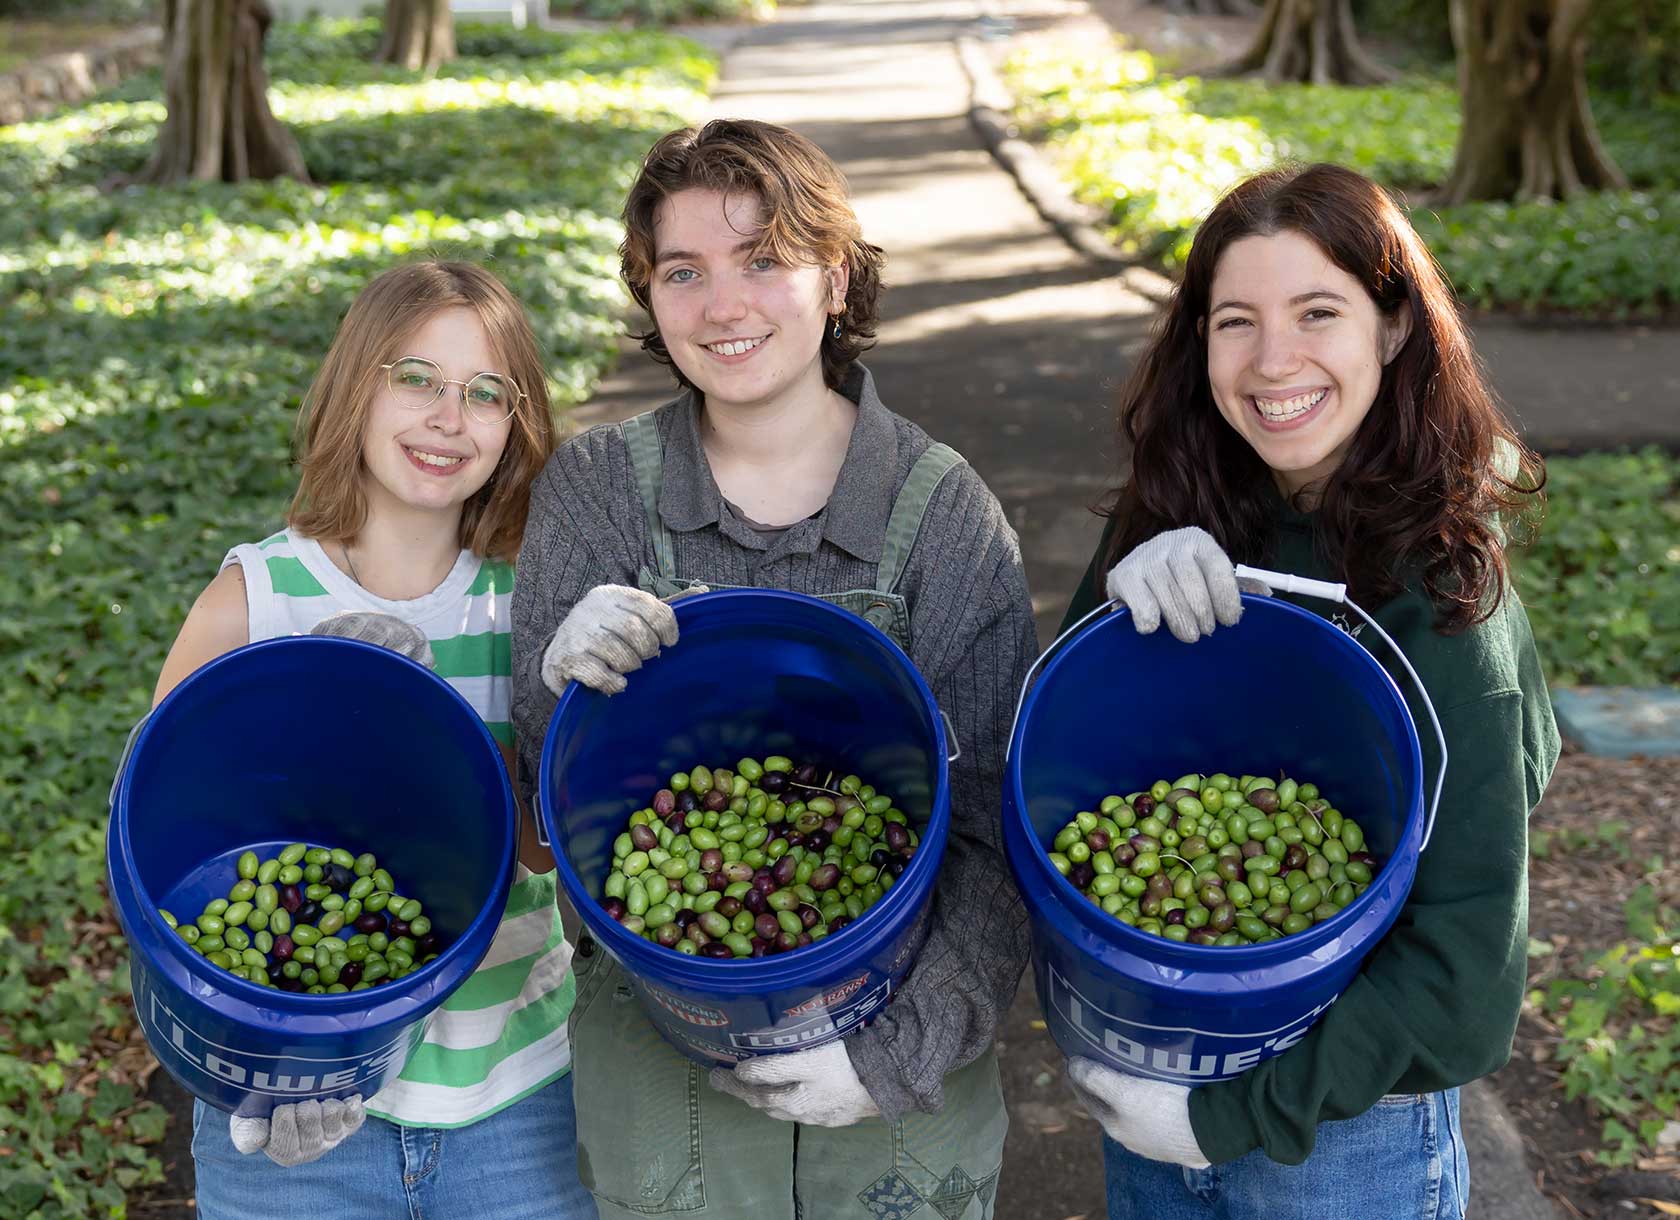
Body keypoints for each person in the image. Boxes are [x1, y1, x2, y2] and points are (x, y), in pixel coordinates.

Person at [510, 119, 1037, 1219]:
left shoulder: (942, 515)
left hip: (902, 1056)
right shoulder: (598, 491)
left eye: (764, 259)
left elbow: (995, 834)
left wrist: (898, 1050)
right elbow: (549, 812)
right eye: (683, 271)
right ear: (649, 297)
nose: (723, 305)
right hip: (664, 1056)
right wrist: (557, 688)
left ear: (835, 278)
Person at [1057, 162, 1561, 1220]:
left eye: (1318, 311)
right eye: (1234, 321)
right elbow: (1061, 747)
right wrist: (1121, 595)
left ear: (1391, 328)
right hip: (1165, 1056)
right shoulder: (1188, 490)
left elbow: (1465, 988)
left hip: (1346, 1129)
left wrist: (1224, 1117)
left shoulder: (1446, 595)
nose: (1272, 359)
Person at [148, 260, 596, 1219]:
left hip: (512, 1104)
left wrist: (448, 736)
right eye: (416, 379)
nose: (449, 417)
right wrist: (242, 1062)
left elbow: (541, 850)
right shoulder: (255, 601)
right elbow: (159, 849)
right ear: (357, 384)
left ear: (516, 425)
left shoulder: (530, 606)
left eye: (486, 393)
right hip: (288, 1122)